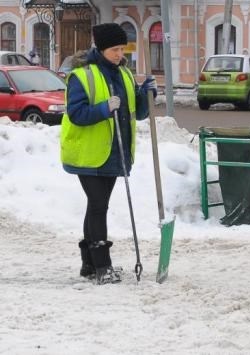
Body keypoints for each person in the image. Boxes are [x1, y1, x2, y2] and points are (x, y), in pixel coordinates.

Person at [60, 23, 157, 285]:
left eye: (122, 48)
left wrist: (147, 93)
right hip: (88, 155)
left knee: (96, 206)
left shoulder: (124, 74)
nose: (119, 54)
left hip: (116, 153)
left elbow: (138, 111)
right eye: (114, 49)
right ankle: (103, 266)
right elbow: (76, 114)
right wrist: (104, 108)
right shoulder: (82, 76)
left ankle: (88, 264)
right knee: (99, 206)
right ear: (101, 48)